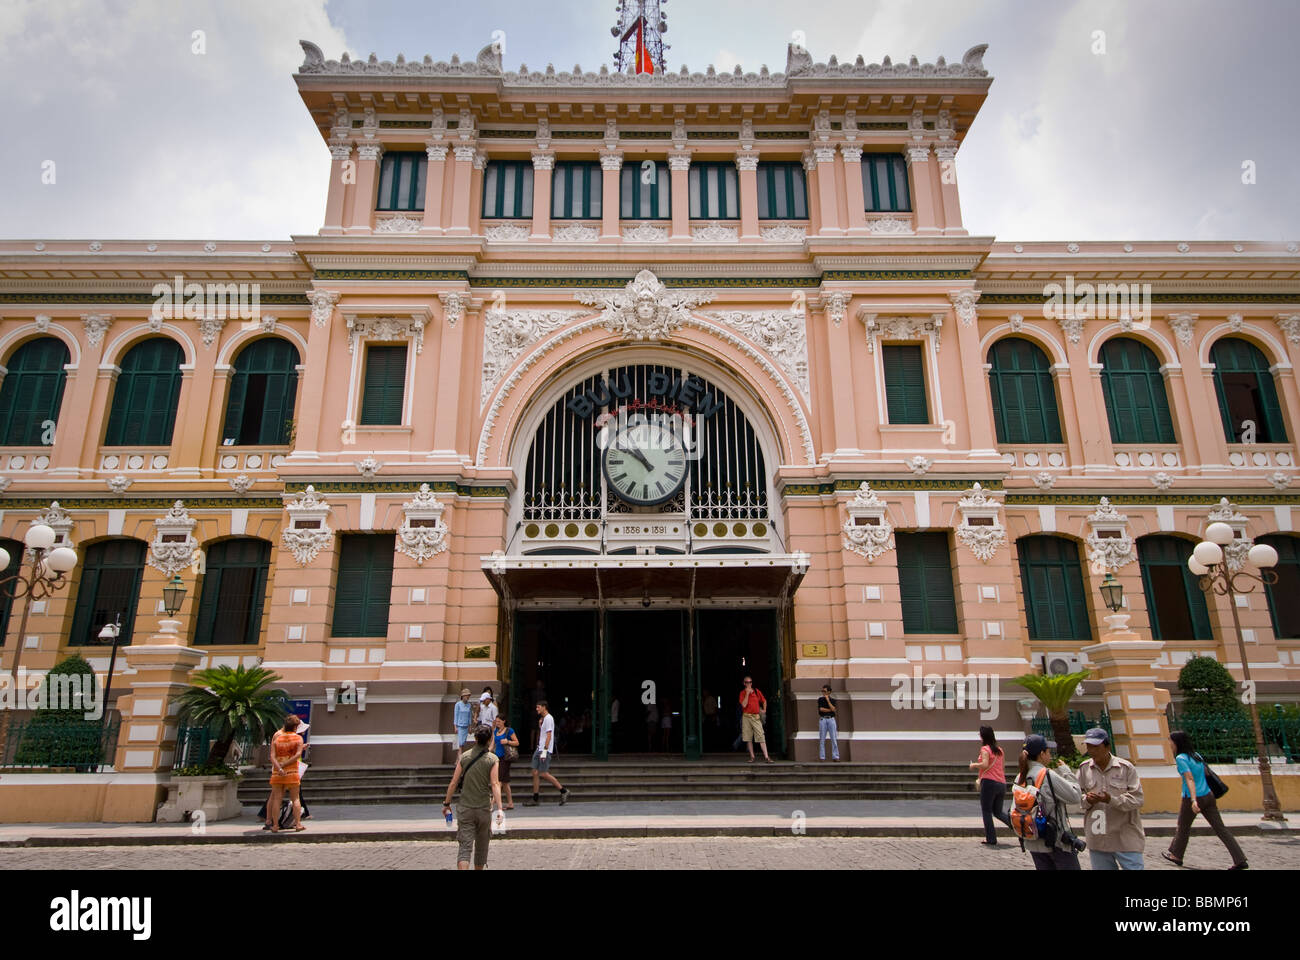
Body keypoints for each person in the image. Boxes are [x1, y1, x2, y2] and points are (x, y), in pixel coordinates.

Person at [1163, 730, 1247, 869]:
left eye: (1170, 741)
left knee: (1183, 827)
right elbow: (1206, 774)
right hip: (1209, 796)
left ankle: (1176, 855)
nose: (1169, 743)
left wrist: (1193, 800)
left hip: (1192, 797)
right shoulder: (1197, 756)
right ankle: (1240, 859)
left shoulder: (1181, 759)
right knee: (1221, 829)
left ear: (1176, 742)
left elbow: (1189, 778)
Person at [1077, 727, 1145, 870]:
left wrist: (1111, 800)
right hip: (1098, 837)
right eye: (1089, 747)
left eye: (1096, 747)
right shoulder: (1084, 769)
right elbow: (1077, 798)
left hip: (1125, 836)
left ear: (1107, 747)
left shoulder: (1125, 768)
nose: (1092, 751)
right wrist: (1088, 799)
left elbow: (1138, 799)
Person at [1014, 734, 1082, 869]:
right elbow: (1075, 796)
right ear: (1041, 753)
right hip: (1056, 841)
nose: (1050, 755)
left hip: (1034, 841)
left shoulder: (1020, 777)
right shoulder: (1047, 775)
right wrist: (1066, 771)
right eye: (1048, 751)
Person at [442, 727, 504, 870]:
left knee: (465, 847)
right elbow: (495, 784)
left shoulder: (464, 757)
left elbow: (453, 782)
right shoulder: (493, 759)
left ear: (475, 739)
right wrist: (500, 808)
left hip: (465, 807)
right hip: (483, 808)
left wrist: (447, 803)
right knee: (481, 847)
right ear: (489, 740)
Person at [969, 724, 1010, 845]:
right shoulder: (1000, 750)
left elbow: (985, 764)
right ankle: (1020, 829)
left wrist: (974, 765)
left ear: (983, 736)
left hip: (989, 783)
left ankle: (991, 839)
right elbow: (1002, 768)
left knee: (986, 811)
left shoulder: (985, 749)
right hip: (1001, 783)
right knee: (998, 812)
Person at [525, 700, 570, 806]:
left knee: (543, 773)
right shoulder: (544, 719)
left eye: (538, 707)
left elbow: (549, 736)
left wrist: (545, 751)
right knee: (535, 772)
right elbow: (544, 734)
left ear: (544, 707)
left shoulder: (549, 718)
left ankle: (563, 791)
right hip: (539, 748)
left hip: (544, 749)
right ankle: (535, 798)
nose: (537, 709)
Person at [268, 715, 306, 833]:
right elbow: (297, 755)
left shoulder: (277, 738)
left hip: (277, 772)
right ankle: (298, 823)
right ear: (295, 727)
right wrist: (285, 765)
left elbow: (272, 756)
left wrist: (279, 767)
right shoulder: (298, 738)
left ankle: (275, 825)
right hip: (292, 771)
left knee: (277, 799)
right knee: (295, 798)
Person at [739, 676, 772, 763]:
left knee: (761, 736)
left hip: (756, 717)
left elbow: (764, 701)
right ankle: (752, 757)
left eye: (750, 682)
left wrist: (764, 710)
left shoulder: (757, 692)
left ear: (752, 683)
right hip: (746, 717)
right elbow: (744, 705)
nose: (748, 684)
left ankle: (766, 757)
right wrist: (747, 694)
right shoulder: (742, 693)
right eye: (747, 682)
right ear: (744, 683)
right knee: (748, 737)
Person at [493, 715, 519, 809]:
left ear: (504, 721)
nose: (497, 723)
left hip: (505, 758)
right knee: (505, 782)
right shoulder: (495, 731)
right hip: (497, 757)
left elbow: (517, 742)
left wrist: (507, 741)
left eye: (499, 721)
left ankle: (492, 803)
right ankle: (510, 803)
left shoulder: (509, 730)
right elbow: (492, 744)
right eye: (496, 721)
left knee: (498, 780)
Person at [817, 684, 840, 761]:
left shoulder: (833, 700)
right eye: (822, 691)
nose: (823, 693)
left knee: (833, 738)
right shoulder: (820, 699)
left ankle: (835, 756)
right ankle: (822, 757)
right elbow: (821, 709)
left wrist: (828, 700)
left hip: (831, 720)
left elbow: (834, 708)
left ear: (829, 692)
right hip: (823, 719)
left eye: (825, 691)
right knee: (822, 739)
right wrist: (830, 710)